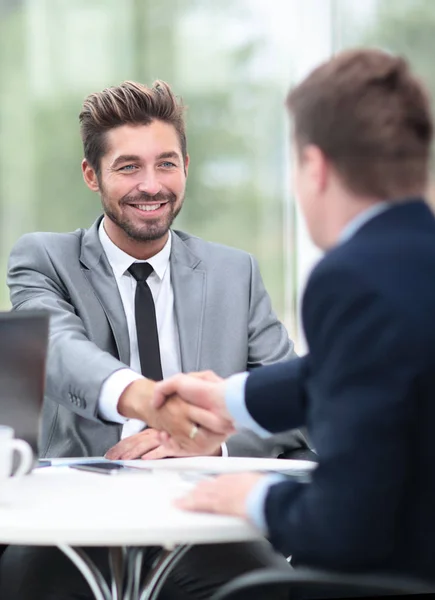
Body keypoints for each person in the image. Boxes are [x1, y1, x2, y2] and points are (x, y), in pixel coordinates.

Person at [1, 80, 301, 599]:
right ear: (92, 175)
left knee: (271, 588)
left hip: (206, 515)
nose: (151, 184)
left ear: (186, 167)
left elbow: (285, 404)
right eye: (128, 166)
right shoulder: (44, 258)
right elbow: (57, 349)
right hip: (68, 523)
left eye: (165, 163)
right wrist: (146, 400)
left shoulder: (236, 273)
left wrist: (210, 443)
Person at [151, 49, 435, 584]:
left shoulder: (352, 276)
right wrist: (229, 399)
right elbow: (358, 368)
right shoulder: (416, 260)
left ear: (316, 166)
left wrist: (251, 495)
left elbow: (346, 525)